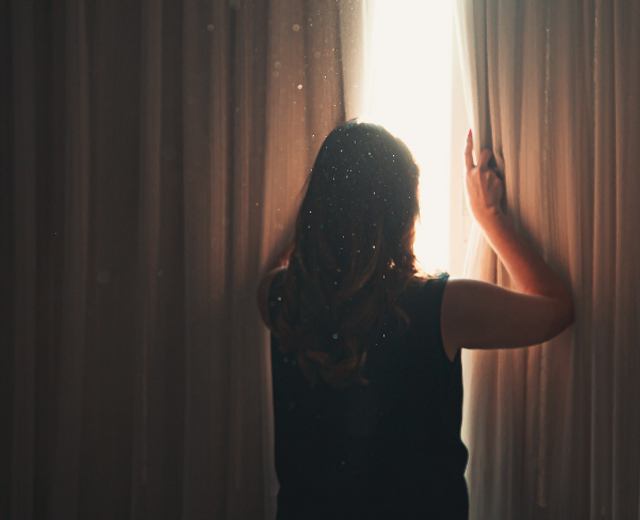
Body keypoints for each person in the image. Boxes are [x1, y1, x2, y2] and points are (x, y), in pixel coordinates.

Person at [257, 120, 574, 520]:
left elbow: (288, 265)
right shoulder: (439, 307)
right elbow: (557, 308)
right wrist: (490, 214)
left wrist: (324, 216)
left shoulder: (282, 298)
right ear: (402, 213)